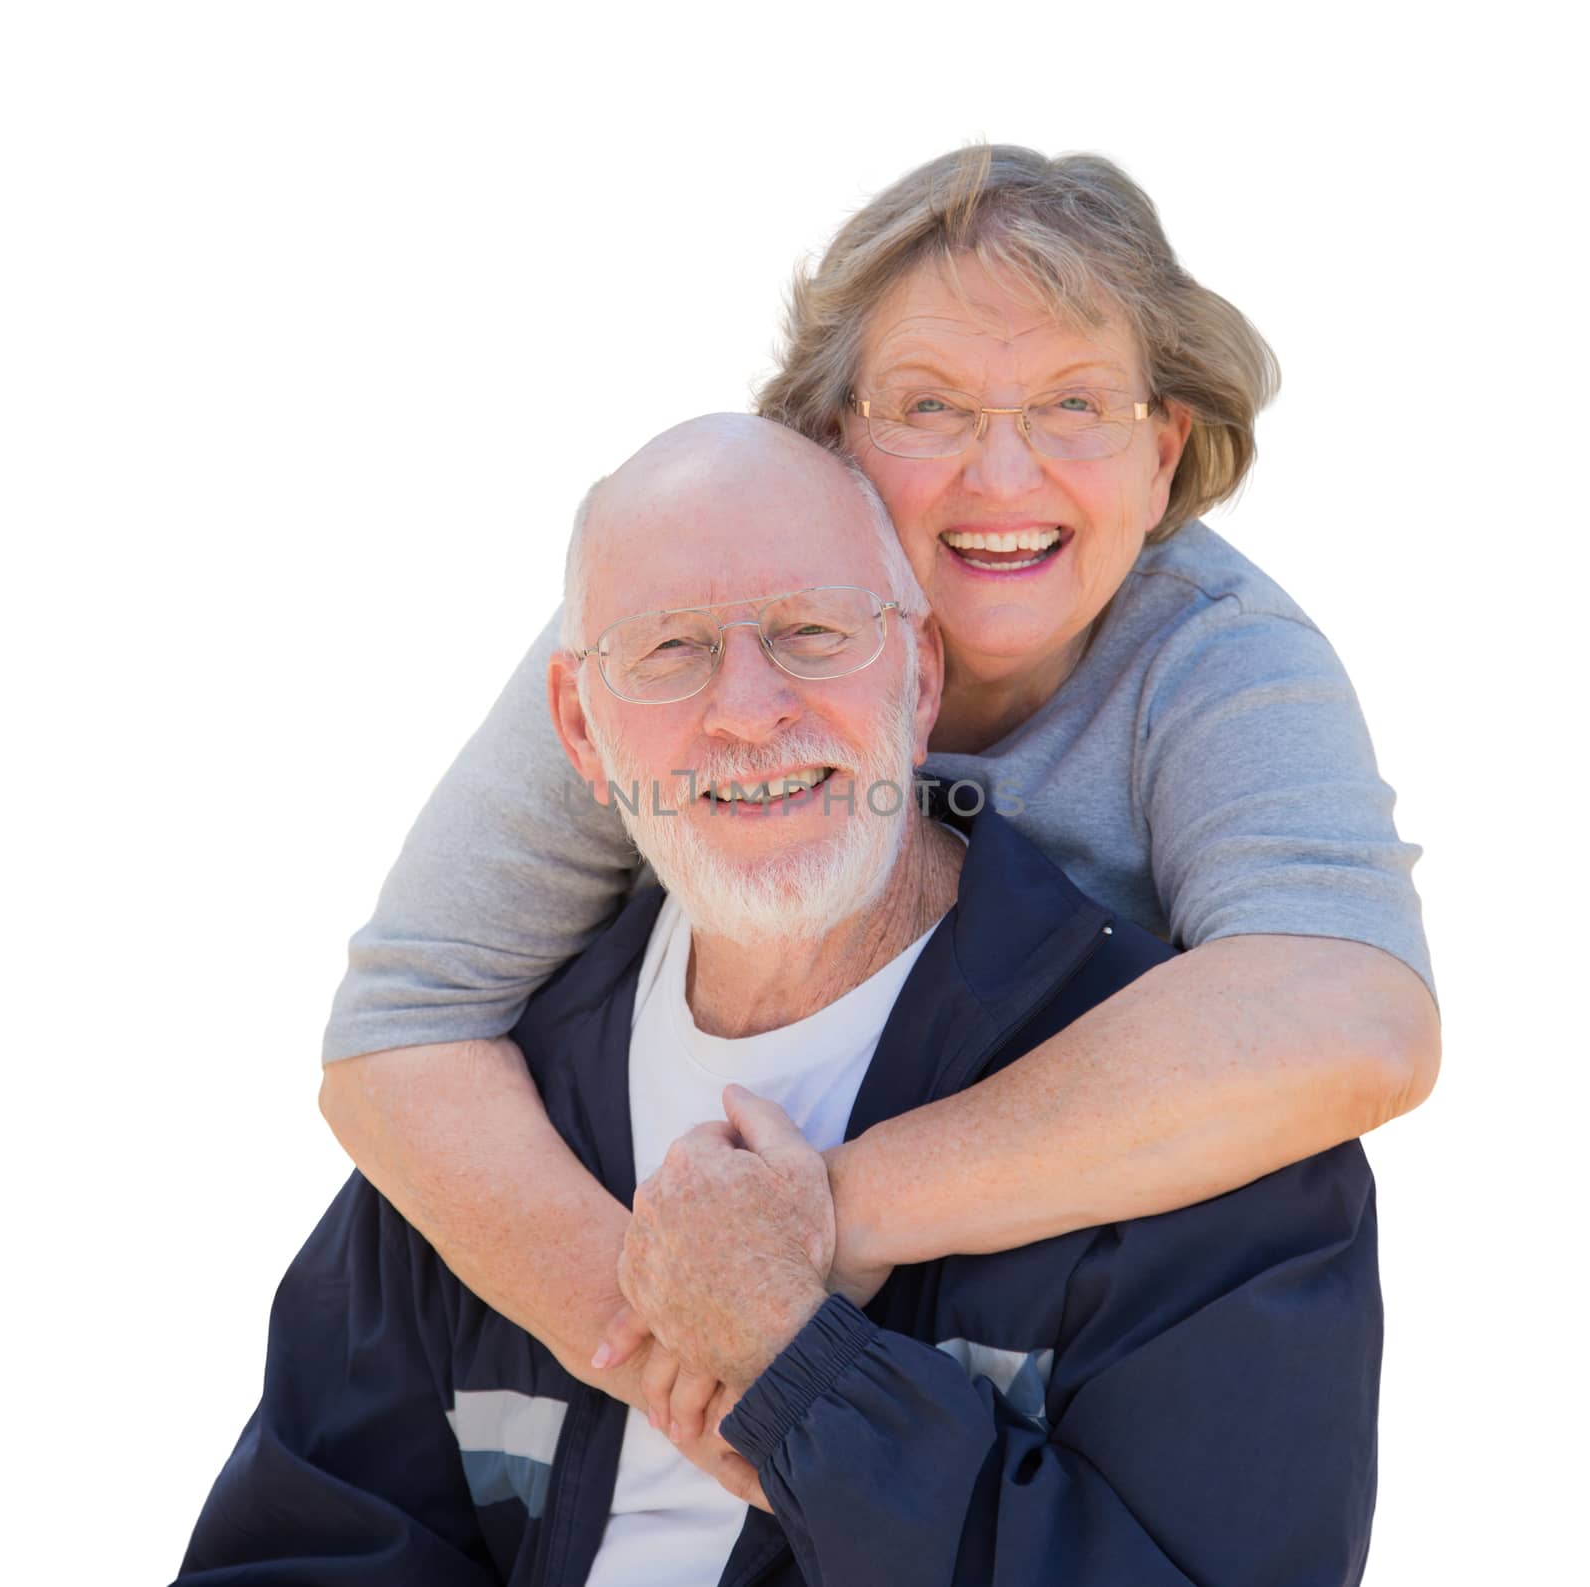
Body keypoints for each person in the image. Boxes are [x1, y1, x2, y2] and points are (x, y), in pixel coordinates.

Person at [317, 145, 1437, 1450]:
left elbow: (1357, 1014)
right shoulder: (669, 627)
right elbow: (400, 1028)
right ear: (827, 437)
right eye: (931, 406)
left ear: (1165, 449)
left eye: (1075, 403)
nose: (1003, 478)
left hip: (1041, 1349)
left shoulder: (1220, 657)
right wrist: (677, 1357)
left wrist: (825, 1219)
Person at [181, 417, 1382, 1586]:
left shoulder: (1197, 1127)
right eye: (668, 649)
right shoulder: (497, 1123)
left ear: (918, 680)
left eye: (813, 633)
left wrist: (802, 1376)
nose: (747, 711)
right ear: (577, 730)